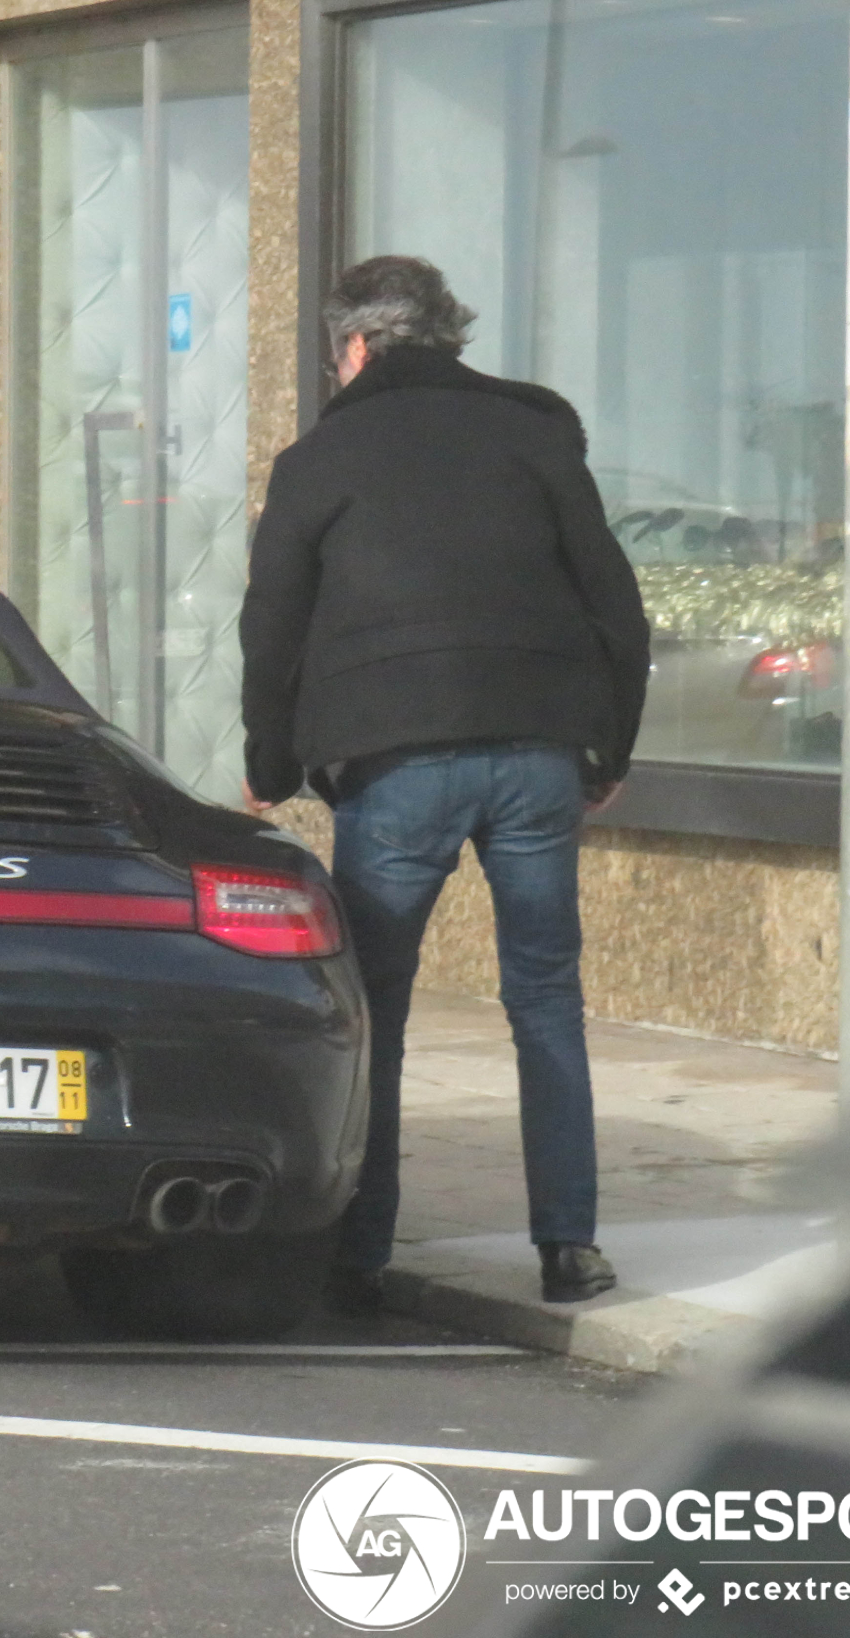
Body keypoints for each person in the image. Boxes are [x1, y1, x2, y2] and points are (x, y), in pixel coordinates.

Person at [239, 255, 651, 1315]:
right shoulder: (533, 435)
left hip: (392, 758)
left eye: (336, 354)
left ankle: (360, 1252)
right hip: (534, 751)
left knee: (374, 1007)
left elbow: (270, 624)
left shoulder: (317, 458)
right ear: (445, 335)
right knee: (544, 1002)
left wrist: (267, 766)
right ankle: (569, 1248)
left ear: (358, 347)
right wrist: (605, 749)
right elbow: (612, 599)